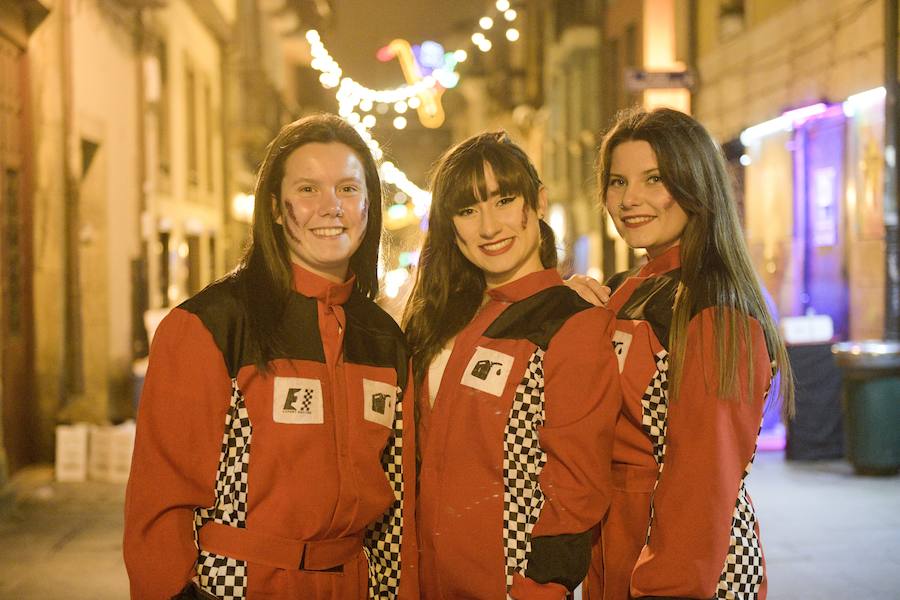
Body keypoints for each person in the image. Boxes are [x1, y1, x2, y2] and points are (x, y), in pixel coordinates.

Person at [124, 114, 418, 600]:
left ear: (369, 205)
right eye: (307, 189)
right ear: (277, 209)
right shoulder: (212, 325)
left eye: (347, 189)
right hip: (238, 583)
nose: (331, 208)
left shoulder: (383, 339)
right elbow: (160, 501)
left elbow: (396, 506)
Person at [572, 107, 794, 600]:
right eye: (617, 181)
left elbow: (703, 481)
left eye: (655, 179)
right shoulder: (632, 289)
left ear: (695, 183)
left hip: (682, 566)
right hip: (620, 547)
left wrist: (666, 585)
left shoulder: (714, 307)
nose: (630, 200)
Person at [403, 131, 623, 599]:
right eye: (467, 210)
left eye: (504, 201)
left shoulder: (573, 324)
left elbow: (578, 487)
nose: (488, 227)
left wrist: (541, 588)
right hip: (425, 580)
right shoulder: (447, 318)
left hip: (510, 586)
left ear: (538, 202)